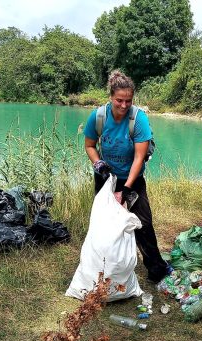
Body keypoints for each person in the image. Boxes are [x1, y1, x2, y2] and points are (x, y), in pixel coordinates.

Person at [83, 70, 168, 283]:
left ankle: (156, 269)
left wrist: (127, 189)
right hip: (105, 179)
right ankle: (103, 269)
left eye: (128, 101)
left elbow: (139, 158)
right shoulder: (99, 116)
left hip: (133, 179)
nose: (123, 105)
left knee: (143, 223)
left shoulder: (138, 118)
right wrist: (99, 163)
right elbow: (89, 145)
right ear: (111, 97)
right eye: (119, 100)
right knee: (105, 225)